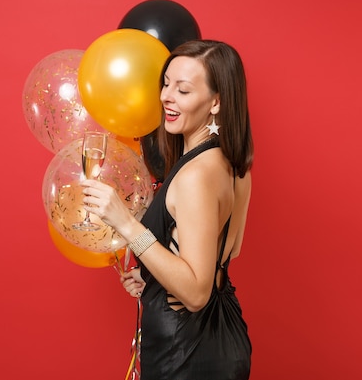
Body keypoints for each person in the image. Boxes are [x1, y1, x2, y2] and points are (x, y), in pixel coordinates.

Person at [80, 39, 254, 380]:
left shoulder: (195, 176)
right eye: (166, 83)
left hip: (186, 354)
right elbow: (226, 249)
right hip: (220, 339)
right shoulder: (233, 164)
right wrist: (155, 280)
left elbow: (196, 293)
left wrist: (127, 224)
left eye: (183, 90)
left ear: (216, 102)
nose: (165, 97)